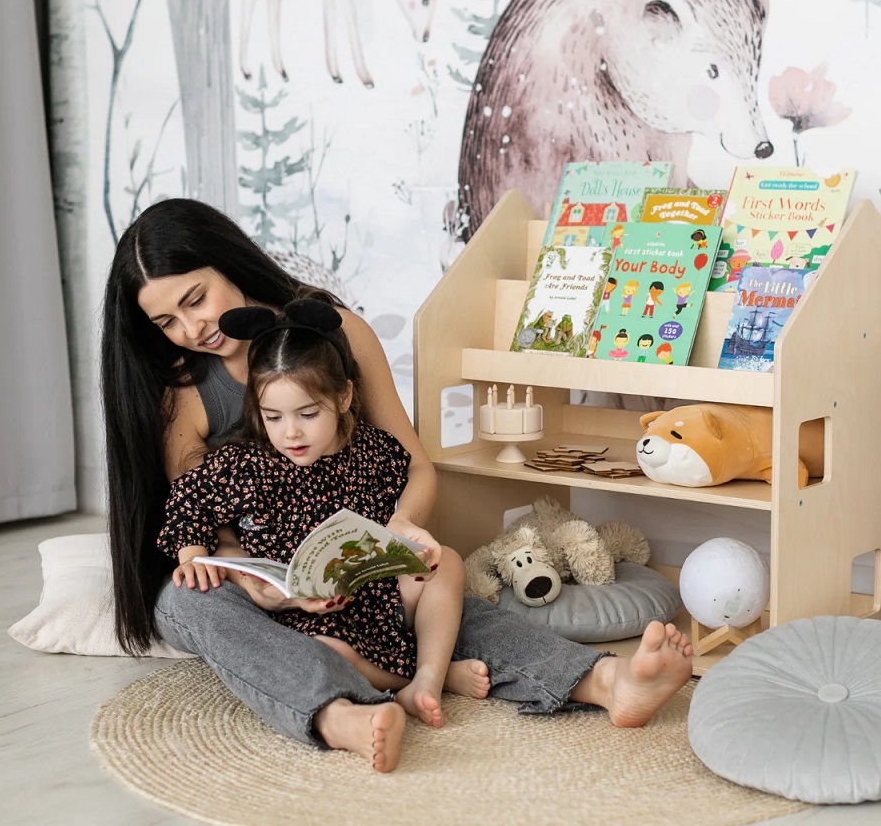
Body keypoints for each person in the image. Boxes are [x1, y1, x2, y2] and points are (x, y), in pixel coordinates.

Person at [102, 197, 693, 774]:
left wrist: (402, 529)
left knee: (443, 595)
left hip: (356, 573)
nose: (192, 328)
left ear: (229, 263)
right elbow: (202, 520)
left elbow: (411, 463)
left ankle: (604, 680)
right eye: (166, 322)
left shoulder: (334, 330)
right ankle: (337, 713)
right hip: (259, 583)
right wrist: (256, 585)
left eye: (196, 299)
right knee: (186, 600)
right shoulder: (184, 389)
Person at [157, 296, 481, 729]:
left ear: (344, 397)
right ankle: (416, 681)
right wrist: (193, 556)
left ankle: (429, 676)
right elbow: (187, 500)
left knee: (449, 563)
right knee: (329, 654)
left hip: (375, 596)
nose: (291, 433)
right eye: (273, 417)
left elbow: (409, 482)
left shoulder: (370, 450)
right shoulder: (245, 464)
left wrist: (404, 528)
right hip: (302, 613)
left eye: (308, 414)